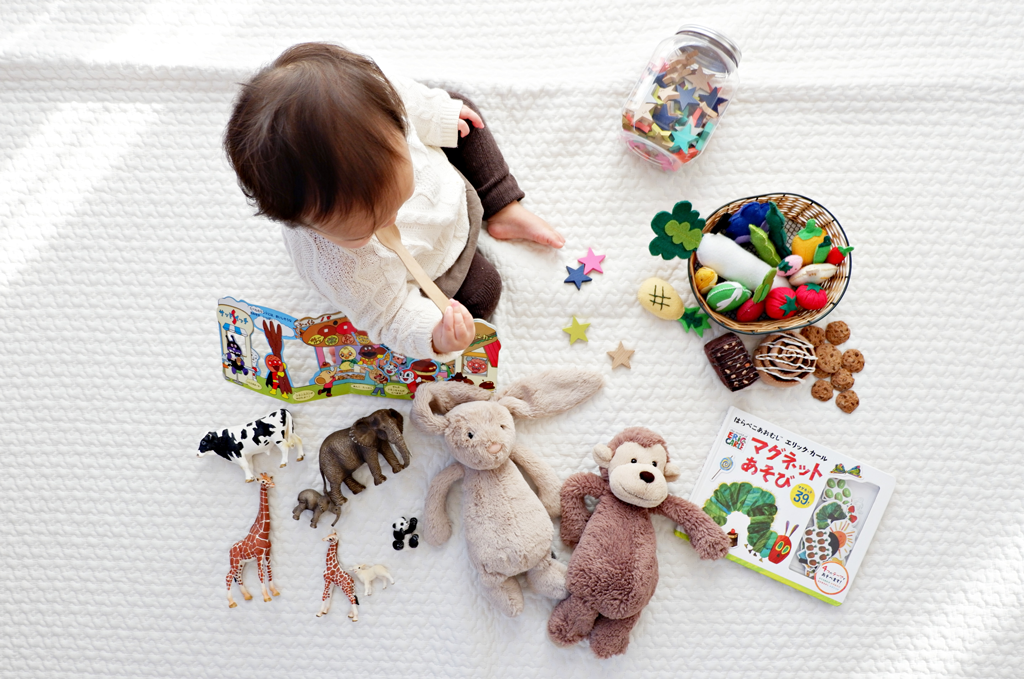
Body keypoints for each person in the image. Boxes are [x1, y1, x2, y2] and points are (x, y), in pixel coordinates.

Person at [224, 42, 563, 361]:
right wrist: (435, 336)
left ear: (395, 125)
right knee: (482, 293)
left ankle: (503, 206)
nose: (391, 222)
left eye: (398, 200)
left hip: (449, 190)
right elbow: (390, 317)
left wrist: (438, 116)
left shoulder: (381, 101)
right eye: (365, 229)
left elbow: (412, 101)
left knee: (461, 116)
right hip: (431, 264)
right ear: (300, 222)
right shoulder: (341, 269)